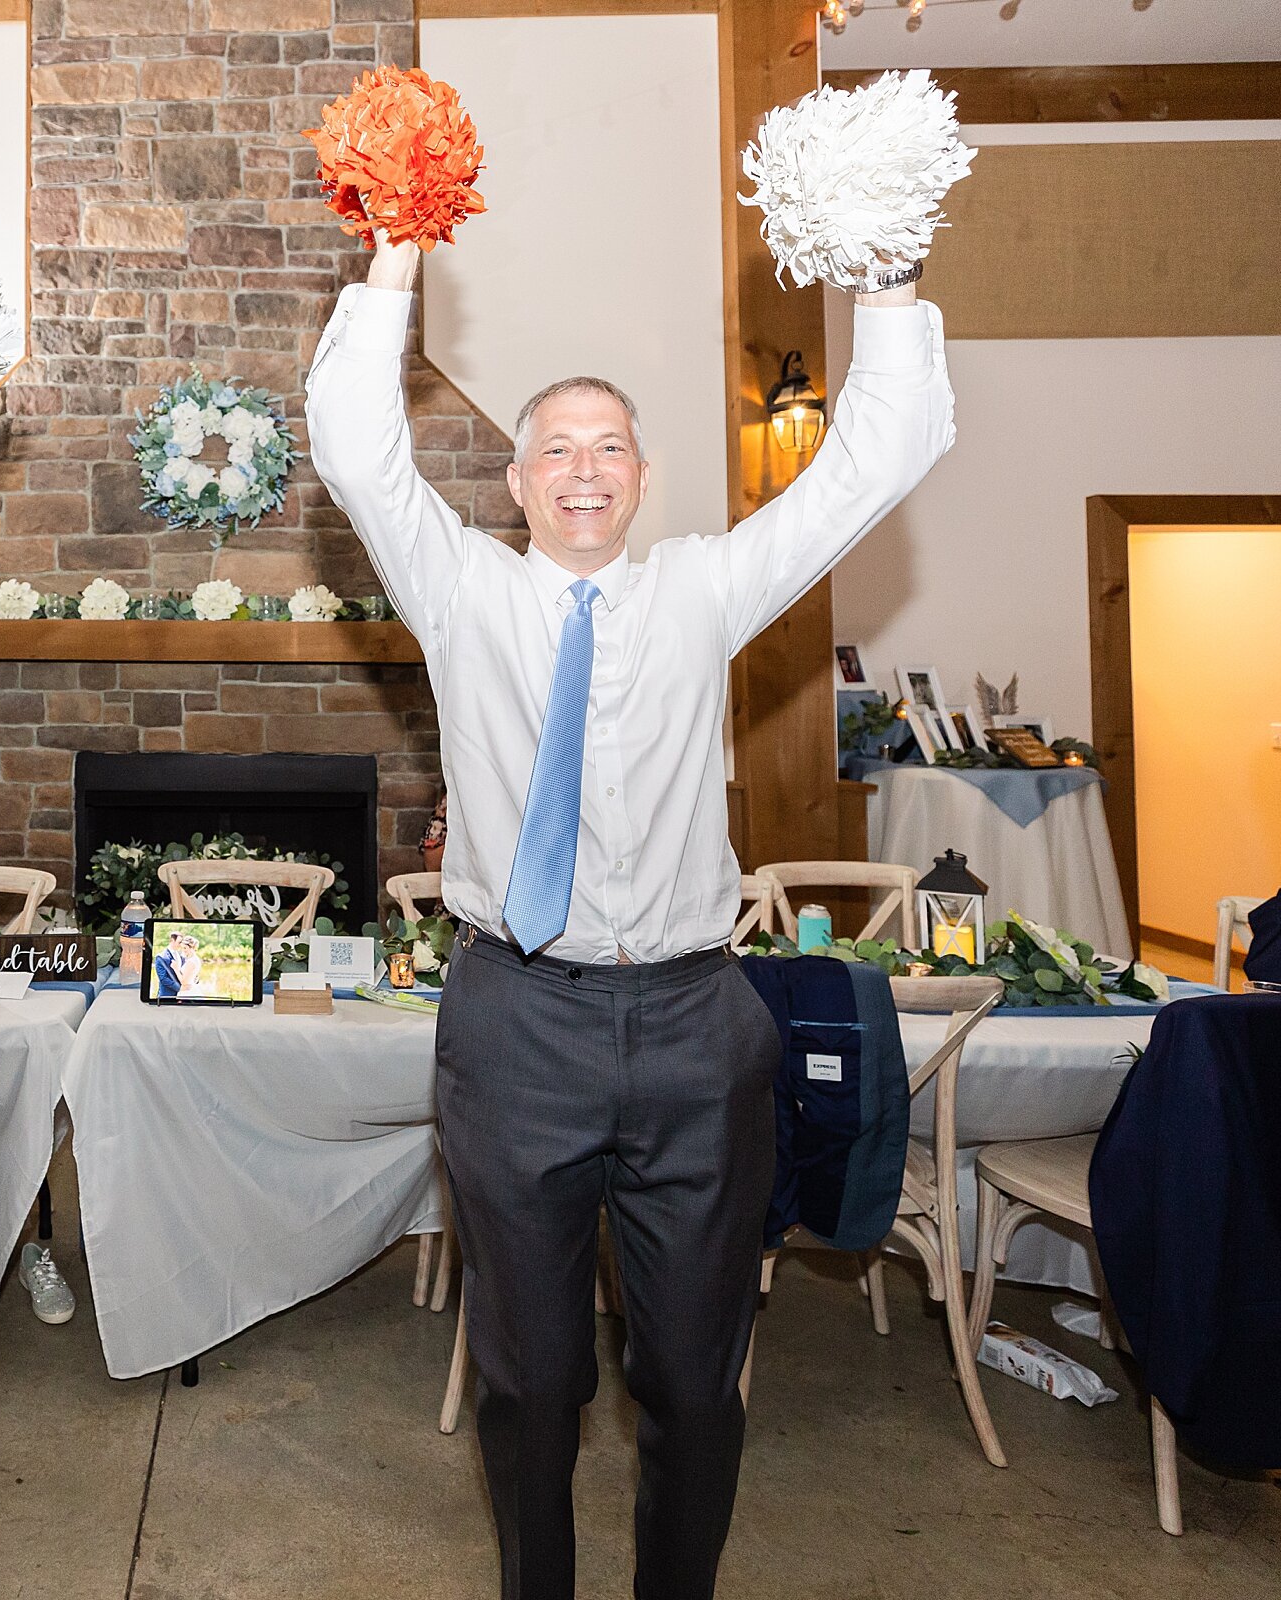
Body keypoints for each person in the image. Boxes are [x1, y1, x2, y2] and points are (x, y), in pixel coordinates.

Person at [307, 234, 952, 1600]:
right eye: (556, 448)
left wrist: (885, 276)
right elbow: (358, 451)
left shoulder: (699, 590)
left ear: (642, 480)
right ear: (517, 480)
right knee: (529, 1385)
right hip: (514, 1024)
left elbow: (867, 469)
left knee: (695, 1384)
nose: (584, 468)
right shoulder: (462, 591)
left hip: (691, 1028)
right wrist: (396, 253)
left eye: (609, 446)